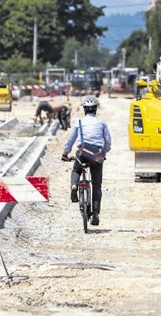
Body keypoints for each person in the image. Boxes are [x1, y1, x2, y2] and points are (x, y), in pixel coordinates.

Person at [61, 95, 111, 226]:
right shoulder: (102, 123)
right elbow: (108, 142)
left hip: (82, 152)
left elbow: (70, 140)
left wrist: (65, 153)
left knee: (76, 170)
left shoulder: (79, 122)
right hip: (96, 155)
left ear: (84, 110)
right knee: (96, 185)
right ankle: (95, 213)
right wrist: (103, 153)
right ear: (95, 110)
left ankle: (74, 185)